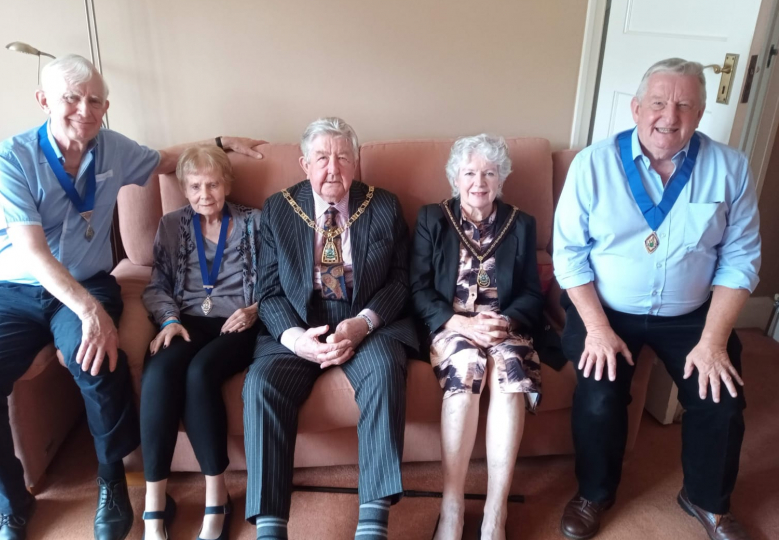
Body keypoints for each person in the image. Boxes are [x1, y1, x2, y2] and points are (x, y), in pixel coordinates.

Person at [0, 54, 263, 540]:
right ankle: (12, 505)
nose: (83, 109)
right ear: (44, 101)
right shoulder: (9, 159)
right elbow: (31, 252)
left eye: (94, 100)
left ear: (105, 106)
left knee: (98, 360)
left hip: (90, 281)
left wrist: (220, 142)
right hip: (17, 290)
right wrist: (92, 310)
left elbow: (164, 158)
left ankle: (112, 479)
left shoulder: (111, 149)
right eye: (71, 98)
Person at [553, 58, 760, 540]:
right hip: (603, 308)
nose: (670, 116)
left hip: (691, 314)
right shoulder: (593, 164)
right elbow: (568, 255)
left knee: (722, 394)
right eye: (659, 103)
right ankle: (594, 494)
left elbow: (741, 259)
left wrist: (713, 340)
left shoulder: (731, 168)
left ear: (701, 112)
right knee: (599, 393)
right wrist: (598, 329)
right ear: (636, 108)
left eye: (685, 104)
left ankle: (707, 500)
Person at [242, 117, 417, 540]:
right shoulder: (280, 208)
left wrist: (363, 324)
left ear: (356, 163)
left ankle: (373, 522)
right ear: (304, 163)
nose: (332, 169)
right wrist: (296, 339)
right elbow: (268, 290)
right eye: (322, 158)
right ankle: (270, 526)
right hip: (301, 321)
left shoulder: (384, 205)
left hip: (365, 319)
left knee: (385, 371)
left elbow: (400, 281)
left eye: (342, 157)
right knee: (261, 384)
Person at [410, 134, 542, 540]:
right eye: (469, 172)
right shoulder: (433, 218)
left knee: (509, 372)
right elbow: (418, 288)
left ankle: (494, 512)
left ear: (501, 178)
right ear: (455, 177)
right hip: (452, 326)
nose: (479, 182)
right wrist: (458, 323)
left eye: (488, 172)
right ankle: (451, 506)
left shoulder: (521, 224)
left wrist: (506, 322)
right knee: (468, 367)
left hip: (504, 327)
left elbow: (533, 293)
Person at [139, 146, 261, 540]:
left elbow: (278, 280)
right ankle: (154, 507)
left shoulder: (254, 222)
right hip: (186, 320)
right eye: (194, 185)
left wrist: (255, 309)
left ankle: (216, 498)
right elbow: (157, 285)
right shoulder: (172, 225)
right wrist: (170, 320)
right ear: (184, 188)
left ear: (227, 184)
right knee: (158, 372)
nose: (204, 193)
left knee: (200, 373)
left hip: (237, 323)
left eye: (212, 184)